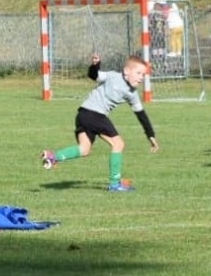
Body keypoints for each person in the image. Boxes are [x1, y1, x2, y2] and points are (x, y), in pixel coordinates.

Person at [40, 54, 159, 190]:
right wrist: (95, 65)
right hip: (94, 115)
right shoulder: (112, 76)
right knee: (118, 144)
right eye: (138, 73)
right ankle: (115, 184)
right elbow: (93, 75)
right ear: (126, 71)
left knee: (84, 149)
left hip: (82, 115)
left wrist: (150, 134)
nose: (141, 78)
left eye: (143, 75)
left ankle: (53, 156)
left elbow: (141, 115)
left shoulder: (132, 94)